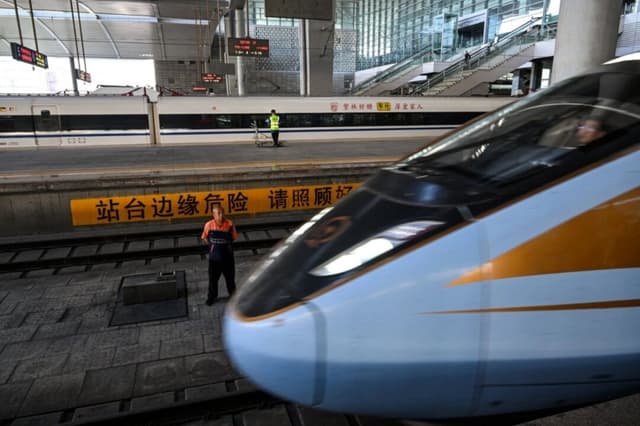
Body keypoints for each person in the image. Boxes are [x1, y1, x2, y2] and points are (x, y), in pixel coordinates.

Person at [201, 206, 238, 305]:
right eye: (218, 213)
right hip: (214, 260)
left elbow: (234, 237)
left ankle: (233, 297)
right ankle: (212, 297)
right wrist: (213, 246)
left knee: (230, 279)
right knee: (213, 280)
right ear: (214, 215)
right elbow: (204, 237)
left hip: (228, 259)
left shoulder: (230, 224)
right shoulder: (208, 225)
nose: (221, 215)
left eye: (222, 213)